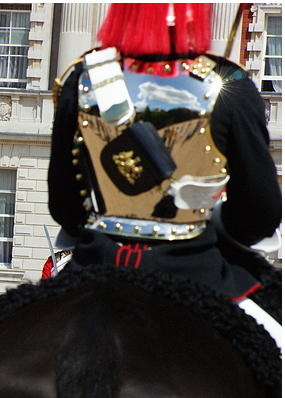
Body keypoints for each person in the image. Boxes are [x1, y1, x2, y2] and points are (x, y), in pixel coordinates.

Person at [48, 3, 281, 349]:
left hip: (94, 266)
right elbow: (259, 215)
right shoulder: (227, 84)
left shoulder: (84, 78)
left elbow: (65, 205)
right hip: (197, 271)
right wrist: (215, 215)